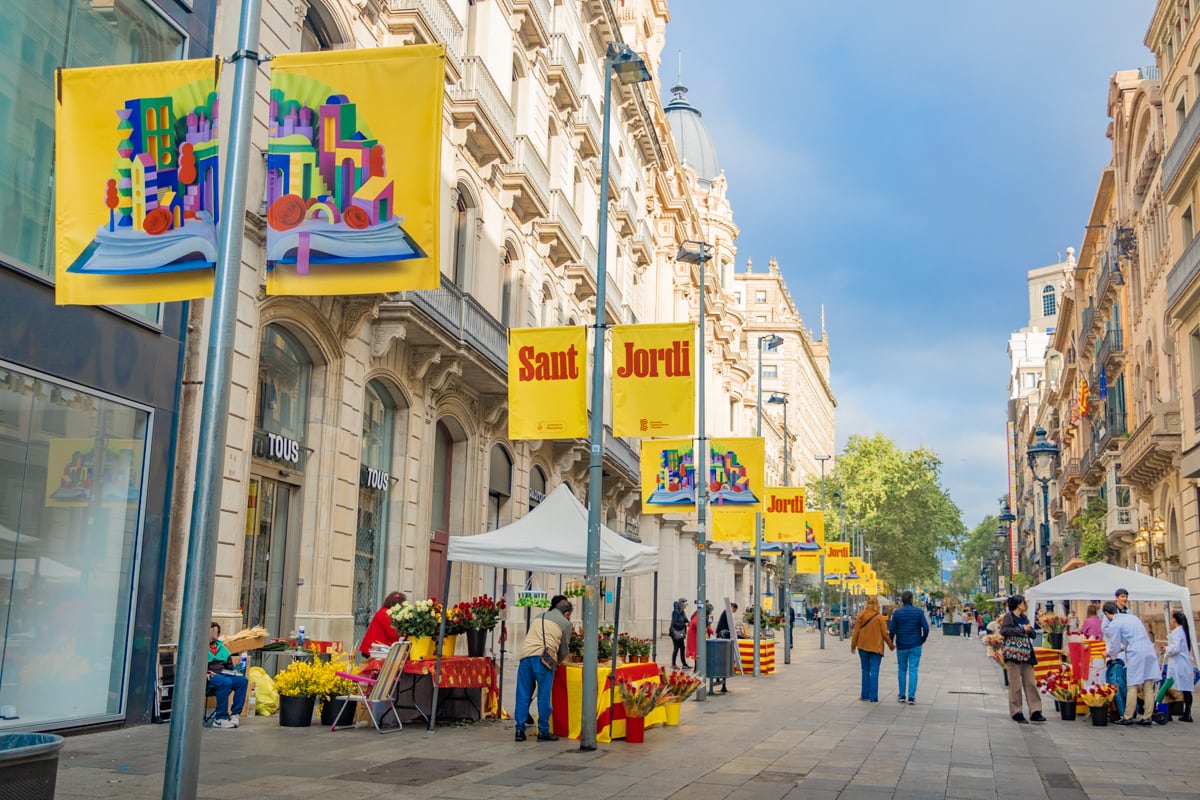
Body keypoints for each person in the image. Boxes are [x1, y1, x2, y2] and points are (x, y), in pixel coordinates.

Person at [514, 595, 572, 742]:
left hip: (525, 656)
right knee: (544, 696)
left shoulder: (539, 616)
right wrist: (558, 661)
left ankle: (520, 730)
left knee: (523, 693)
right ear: (567, 613)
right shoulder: (565, 623)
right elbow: (564, 649)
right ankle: (543, 731)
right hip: (543, 659)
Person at [1104, 601, 1159, 726]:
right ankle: (1147, 717)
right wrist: (1124, 647)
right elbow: (1134, 636)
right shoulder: (1132, 617)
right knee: (1148, 685)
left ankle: (1128, 716)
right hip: (1148, 650)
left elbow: (1114, 645)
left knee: (1132, 685)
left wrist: (1108, 653)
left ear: (1107, 614)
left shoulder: (1115, 623)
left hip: (1136, 652)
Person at [1000, 595, 1044, 724]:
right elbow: (1004, 631)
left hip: (1026, 654)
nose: (1026, 604)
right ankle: (1016, 711)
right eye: (1024, 602)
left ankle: (1036, 710)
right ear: (1019, 604)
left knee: (1031, 683)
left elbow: (1033, 634)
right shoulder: (1009, 617)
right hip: (1014, 655)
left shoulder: (1024, 618)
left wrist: (1029, 630)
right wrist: (1021, 630)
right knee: (1015, 684)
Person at [888, 590, 929, 705]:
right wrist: (922, 639)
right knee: (913, 670)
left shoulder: (897, 613)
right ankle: (911, 697)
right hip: (915, 644)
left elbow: (892, 630)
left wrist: (891, 642)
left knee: (901, 669)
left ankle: (902, 695)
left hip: (901, 645)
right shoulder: (919, 612)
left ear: (901, 600)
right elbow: (926, 628)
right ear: (911, 599)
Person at [850, 595, 894, 702]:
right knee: (875, 671)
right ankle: (873, 697)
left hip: (862, 646)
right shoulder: (879, 618)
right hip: (876, 647)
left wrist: (853, 646)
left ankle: (865, 695)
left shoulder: (861, 615)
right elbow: (885, 634)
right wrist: (891, 645)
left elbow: (855, 633)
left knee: (865, 670)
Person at [207, 622, 248, 729]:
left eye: (214, 632)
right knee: (225, 682)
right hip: (208, 676)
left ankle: (235, 714)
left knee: (242, 681)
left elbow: (229, 666)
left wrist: (235, 671)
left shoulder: (223, 648)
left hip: (223, 674)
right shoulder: (200, 648)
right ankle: (220, 718)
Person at [1163, 610, 1195, 722]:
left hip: (1177, 665)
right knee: (1186, 690)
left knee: (1169, 688)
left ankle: (1168, 713)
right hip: (1184, 664)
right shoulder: (1183, 631)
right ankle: (1187, 713)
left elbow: (1175, 649)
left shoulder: (1177, 632)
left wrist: (1166, 649)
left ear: (1174, 620)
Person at [357, 591, 406, 658]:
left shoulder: (385, 611)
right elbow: (393, 633)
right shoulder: (386, 613)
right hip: (375, 649)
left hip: (377, 648)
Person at [685, 603, 714, 668]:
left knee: (698, 650)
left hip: (696, 634)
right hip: (694, 635)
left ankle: (698, 667)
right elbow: (696, 623)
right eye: (711, 611)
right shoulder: (699, 615)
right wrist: (704, 630)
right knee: (697, 650)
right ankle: (697, 667)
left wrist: (712, 632)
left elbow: (706, 626)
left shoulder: (702, 615)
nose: (711, 612)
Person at [669, 598, 690, 669]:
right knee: (676, 648)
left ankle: (684, 664)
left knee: (682, 648)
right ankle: (673, 664)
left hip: (680, 632)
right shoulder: (675, 612)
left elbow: (686, 620)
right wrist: (684, 625)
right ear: (681, 605)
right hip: (675, 633)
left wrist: (688, 623)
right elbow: (675, 624)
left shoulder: (682, 612)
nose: (685, 607)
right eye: (684, 605)